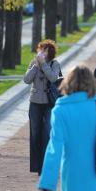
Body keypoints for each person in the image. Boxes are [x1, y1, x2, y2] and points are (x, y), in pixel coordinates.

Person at [23, 39, 61, 176]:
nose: (42, 52)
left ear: (50, 52)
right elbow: (26, 80)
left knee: (47, 133)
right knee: (35, 134)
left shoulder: (55, 64)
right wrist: (35, 66)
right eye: (41, 50)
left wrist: (44, 64)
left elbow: (53, 78)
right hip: (35, 103)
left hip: (49, 104)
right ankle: (36, 166)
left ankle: (46, 166)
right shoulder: (34, 63)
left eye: (45, 50)